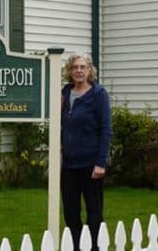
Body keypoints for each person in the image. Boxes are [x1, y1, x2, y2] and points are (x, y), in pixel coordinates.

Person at [60, 53, 113, 251]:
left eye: (83, 67)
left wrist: (101, 162)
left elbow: (106, 129)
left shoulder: (98, 94)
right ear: (70, 71)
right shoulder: (65, 93)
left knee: (94, 212)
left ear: (90, 70)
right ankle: (76, 246)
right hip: (69, 165)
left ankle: (94, 247)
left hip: (91, 164)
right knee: (71, 212)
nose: (79, 71)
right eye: (75, 67)